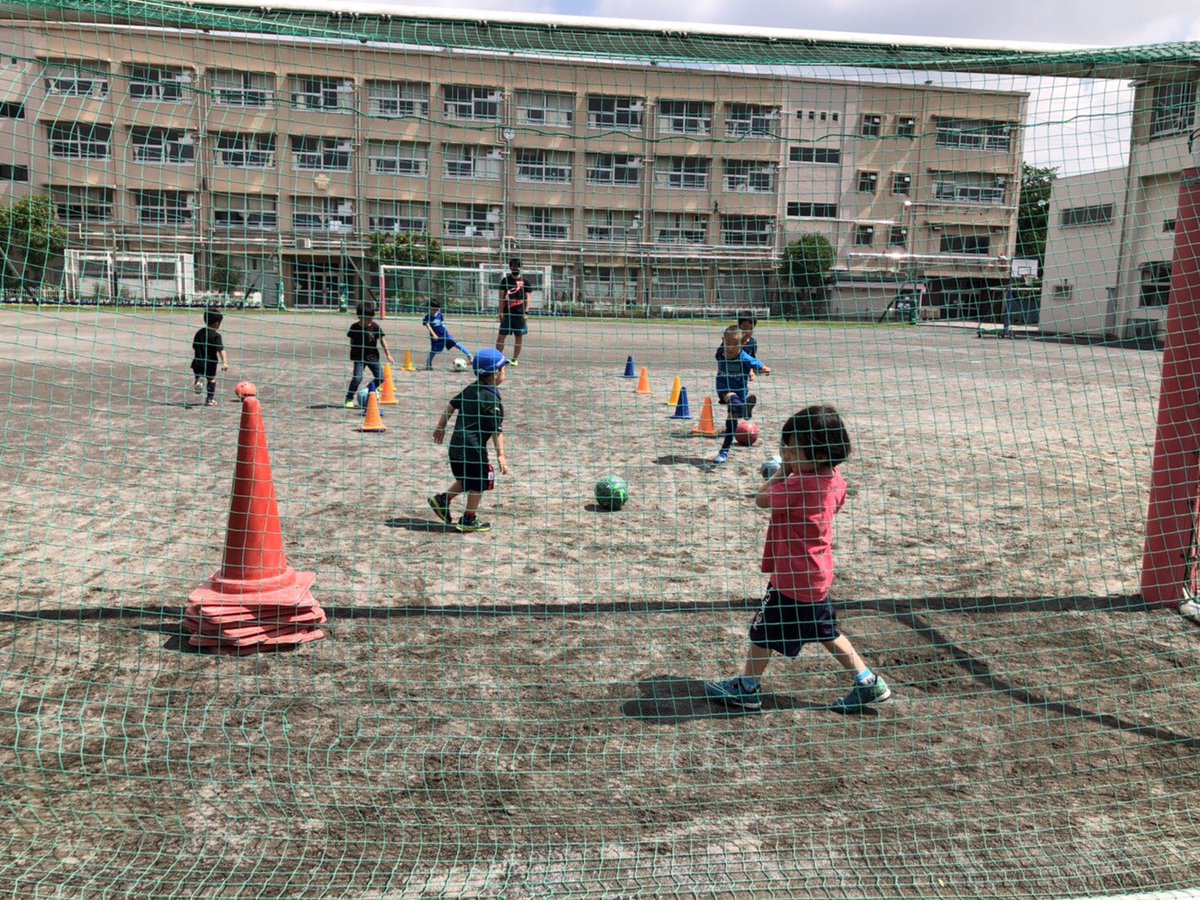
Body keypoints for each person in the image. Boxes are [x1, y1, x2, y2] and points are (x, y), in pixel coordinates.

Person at [705, 406, 892, 713]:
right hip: (817, 574)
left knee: (762, 631)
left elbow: (761, 499)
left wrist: (781, 473)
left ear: (819, 453)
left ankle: (747, 688)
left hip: (791, 578)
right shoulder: (836, 481)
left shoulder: (798, 483)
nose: (786, 449)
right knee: (828, 632)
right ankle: (869, 682)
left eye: (793, 446)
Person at [428, 348, 510, 533]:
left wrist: (440, 427)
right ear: (496, 373)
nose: (505, 373)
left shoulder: (471, 389)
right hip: (473, 449)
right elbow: (496, 431)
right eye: (504, 369)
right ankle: (469, 519)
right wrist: (501, 455)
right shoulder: (492, 398)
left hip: (456, 447)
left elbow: (451, 405)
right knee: (480, 481)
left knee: (468, 479)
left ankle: (443, 499)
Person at [714, 324, 770, 465]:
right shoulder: (720, 353)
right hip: (723, 388)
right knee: (729, 396)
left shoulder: (744, 358)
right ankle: (744, 409)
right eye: (727, 343)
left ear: (743, 343)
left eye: (734, 344)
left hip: (740, 392)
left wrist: (762, 368)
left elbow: (754, 362)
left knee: (731, 420)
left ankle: (724, 450)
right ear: (723, 341)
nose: (730, 347)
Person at [344, 301, 394, 409]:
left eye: (371, 318)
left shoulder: (375, 327)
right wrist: (353, 352)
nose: (369, 321)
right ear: (360, 317)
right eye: (367, 319)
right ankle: (348, 398)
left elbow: (382, 340)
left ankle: (368, 389)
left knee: (381, 377)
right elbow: (352, 340)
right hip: (359, 357)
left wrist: (388, 354)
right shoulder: (354, 327)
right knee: (357, 378)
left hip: (372, 356)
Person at [495, 258, 531, 367]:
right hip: (507, 314)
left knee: (519, 337)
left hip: (519, 315)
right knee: (501, 336)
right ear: (510, 267)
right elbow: (501, 297)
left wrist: (526, 312)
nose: (515, 268)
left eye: (517, 266)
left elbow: (528, 298)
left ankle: (514, 359)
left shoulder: (525, 281)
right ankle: (498, 358)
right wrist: (500, 312)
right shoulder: (505, 281)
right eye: (513, 266)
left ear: (520, 267)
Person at [191, 308, 229, 407]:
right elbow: (221, 350)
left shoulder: (199, 332)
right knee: (211, 379)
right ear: (217, 323)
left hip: (198, 361)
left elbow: (194, 346)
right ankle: (209, 399)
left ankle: (198, 380)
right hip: (210, 362)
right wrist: (225, 362)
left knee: (199, 374)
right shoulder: (216, 336)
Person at [422, 299, 473, 370]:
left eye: (436, 309)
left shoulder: (439, 314)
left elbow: (441, 323)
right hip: (436, 337)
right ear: (430, 308)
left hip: (444, 334)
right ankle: (428, 364)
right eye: (433, 309)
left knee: (456, 344)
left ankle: (469, 355)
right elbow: (428, 326)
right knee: (434, 351)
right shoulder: (427, 317)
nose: (435, 311)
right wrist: (434, 335)